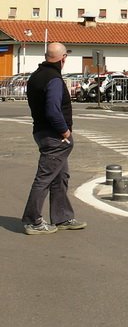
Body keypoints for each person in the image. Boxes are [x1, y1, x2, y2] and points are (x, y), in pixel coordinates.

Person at [22, 42, 86, 235]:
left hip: (41, 131)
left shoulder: (36, 76)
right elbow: (52, 110)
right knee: (44, 178)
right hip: (54, 136)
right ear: (63, 58)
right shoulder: (54, 79)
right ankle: (33, 221)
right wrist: (65, 132)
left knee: (60, 175)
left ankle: (62, 217)